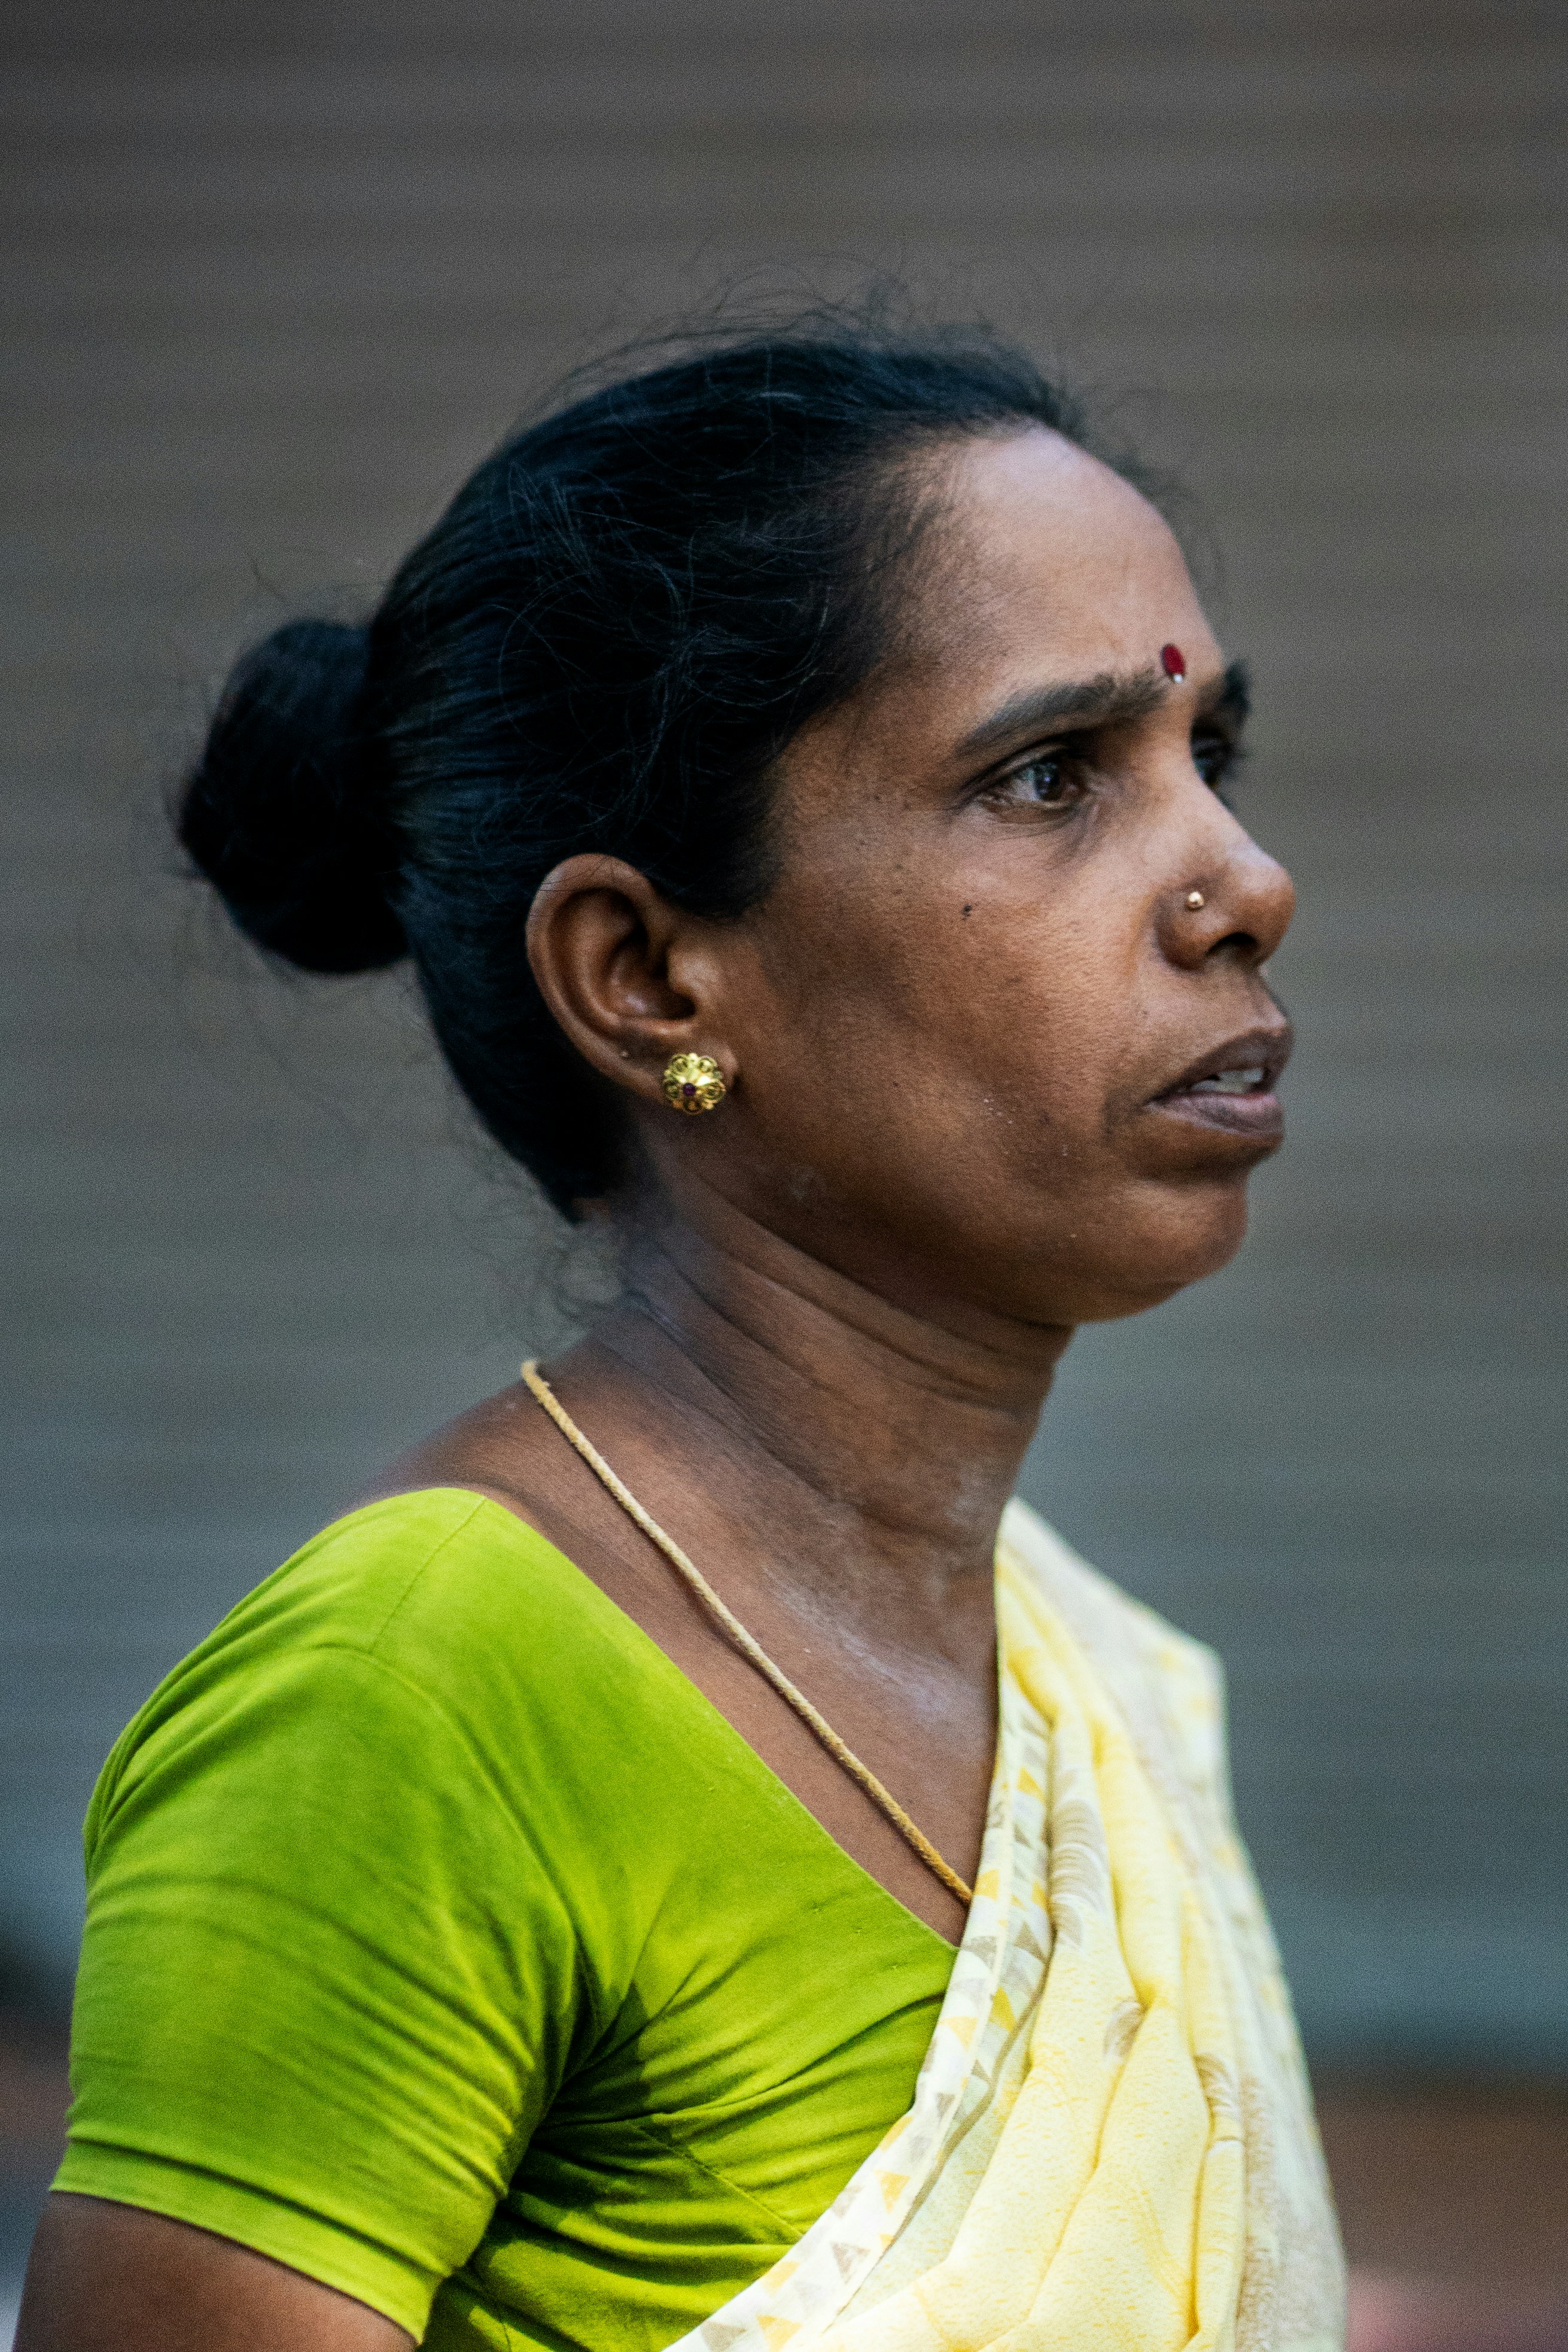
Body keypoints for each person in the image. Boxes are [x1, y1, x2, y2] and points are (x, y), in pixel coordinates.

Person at [17, 320, 1346, 2351]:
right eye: (1050, 776)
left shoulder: (1075, 1664)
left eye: (1207, 759)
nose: (1245, 883)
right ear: (646, 976)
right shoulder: (413, 1698)